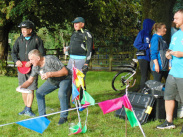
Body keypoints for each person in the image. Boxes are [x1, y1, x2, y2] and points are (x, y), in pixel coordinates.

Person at [18, 49, 72, 124]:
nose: (30, 62)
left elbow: (65, 72)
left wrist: (50, 74)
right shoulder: (35, 67)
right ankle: (42, 117)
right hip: (53, 81)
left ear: (38, 58)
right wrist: (21, 87)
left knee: (61, 94)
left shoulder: (51, 59)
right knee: (39, 93)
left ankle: (64, 117)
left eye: (31, 59)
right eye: (29, 59)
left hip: (65, 79)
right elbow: (30, 80)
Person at [156, 9, 183, 133]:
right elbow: (170, 49)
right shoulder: (176, 35)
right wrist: (168, 54)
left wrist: (181, 54)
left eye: (176, 18)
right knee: (168, 96)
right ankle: (169, 121)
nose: (174, 20)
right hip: (173, 73)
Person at [11, 20, 45, 117]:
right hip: (21, 68)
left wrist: (31, 62)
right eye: (22, 29)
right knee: (23, 88)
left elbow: (42, 54)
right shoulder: (19, 40)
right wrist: (16, 61)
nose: (23, 31)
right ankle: (26, 108)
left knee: (31, 88)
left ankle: (29, 109)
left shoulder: (37, 40)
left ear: (30, 30)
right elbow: (13, 52)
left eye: (25, 29)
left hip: (33, 68)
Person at [65, 17, 93, 106]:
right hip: (71, 60)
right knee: (69, 80)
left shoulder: (87, 34)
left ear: (82, 24)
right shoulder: (74, 33)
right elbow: (72, 45)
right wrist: (67, 49)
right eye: (74, 23)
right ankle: (67, 102)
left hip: (81, 60)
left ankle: (81, 101)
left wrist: (86, 63)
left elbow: (90, 50)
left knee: (80, 81)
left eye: (77, 23)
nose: (75, 25)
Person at [133, 19, 155, 91]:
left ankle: (149, 89)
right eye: (152, 25)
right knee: (144, 75)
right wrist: (147, 45)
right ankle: (143, 90)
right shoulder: (142, 33)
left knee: (153, 74)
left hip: (149, 57)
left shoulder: (150, 35)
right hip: (143, 57)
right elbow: (136, 44)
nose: (153, 27)